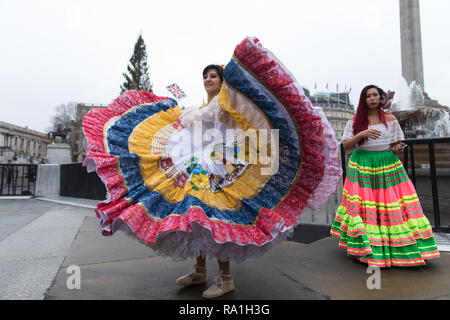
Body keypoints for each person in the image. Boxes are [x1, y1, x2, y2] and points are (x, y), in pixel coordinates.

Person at [82, 37, 342, 299]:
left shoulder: (228, 105)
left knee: (216, 219)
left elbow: (240, 127)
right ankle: (199, 270)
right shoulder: (200, 107)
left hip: (223, 167)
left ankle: (226, 278)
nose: (208, 79)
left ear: (222, 81)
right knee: (196, 218)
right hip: (198, 164)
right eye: (205, 76)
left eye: (214, 76)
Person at [330, 85, 440, 267]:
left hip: (387, 163)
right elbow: (346, 145)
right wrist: (362, 134)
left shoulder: (391, 119)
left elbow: (398, 143)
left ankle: (395, 246)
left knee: (390, 204)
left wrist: (397, 148)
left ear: (381, 98)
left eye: (375, 95)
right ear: (363, 100)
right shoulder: (355, 120)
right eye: (368, 96)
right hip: (362, 165)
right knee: (366, 207)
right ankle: (365, 247)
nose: (372, 98)